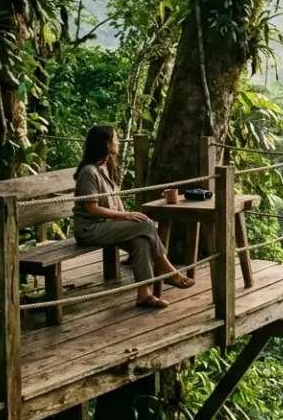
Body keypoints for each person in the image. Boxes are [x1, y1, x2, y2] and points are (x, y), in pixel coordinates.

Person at [72, 125, 194, 308]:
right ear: (106, 144)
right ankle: (170, 272)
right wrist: (126, 216)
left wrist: (125, 217)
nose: (118, 142)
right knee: (146, 224)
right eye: (115, 139)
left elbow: (116, 198)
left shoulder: (106, 166)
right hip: (90, 228)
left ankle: (144, 294)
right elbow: (92, 209)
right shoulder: (89, 172)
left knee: (141, 241)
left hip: (107, 225)